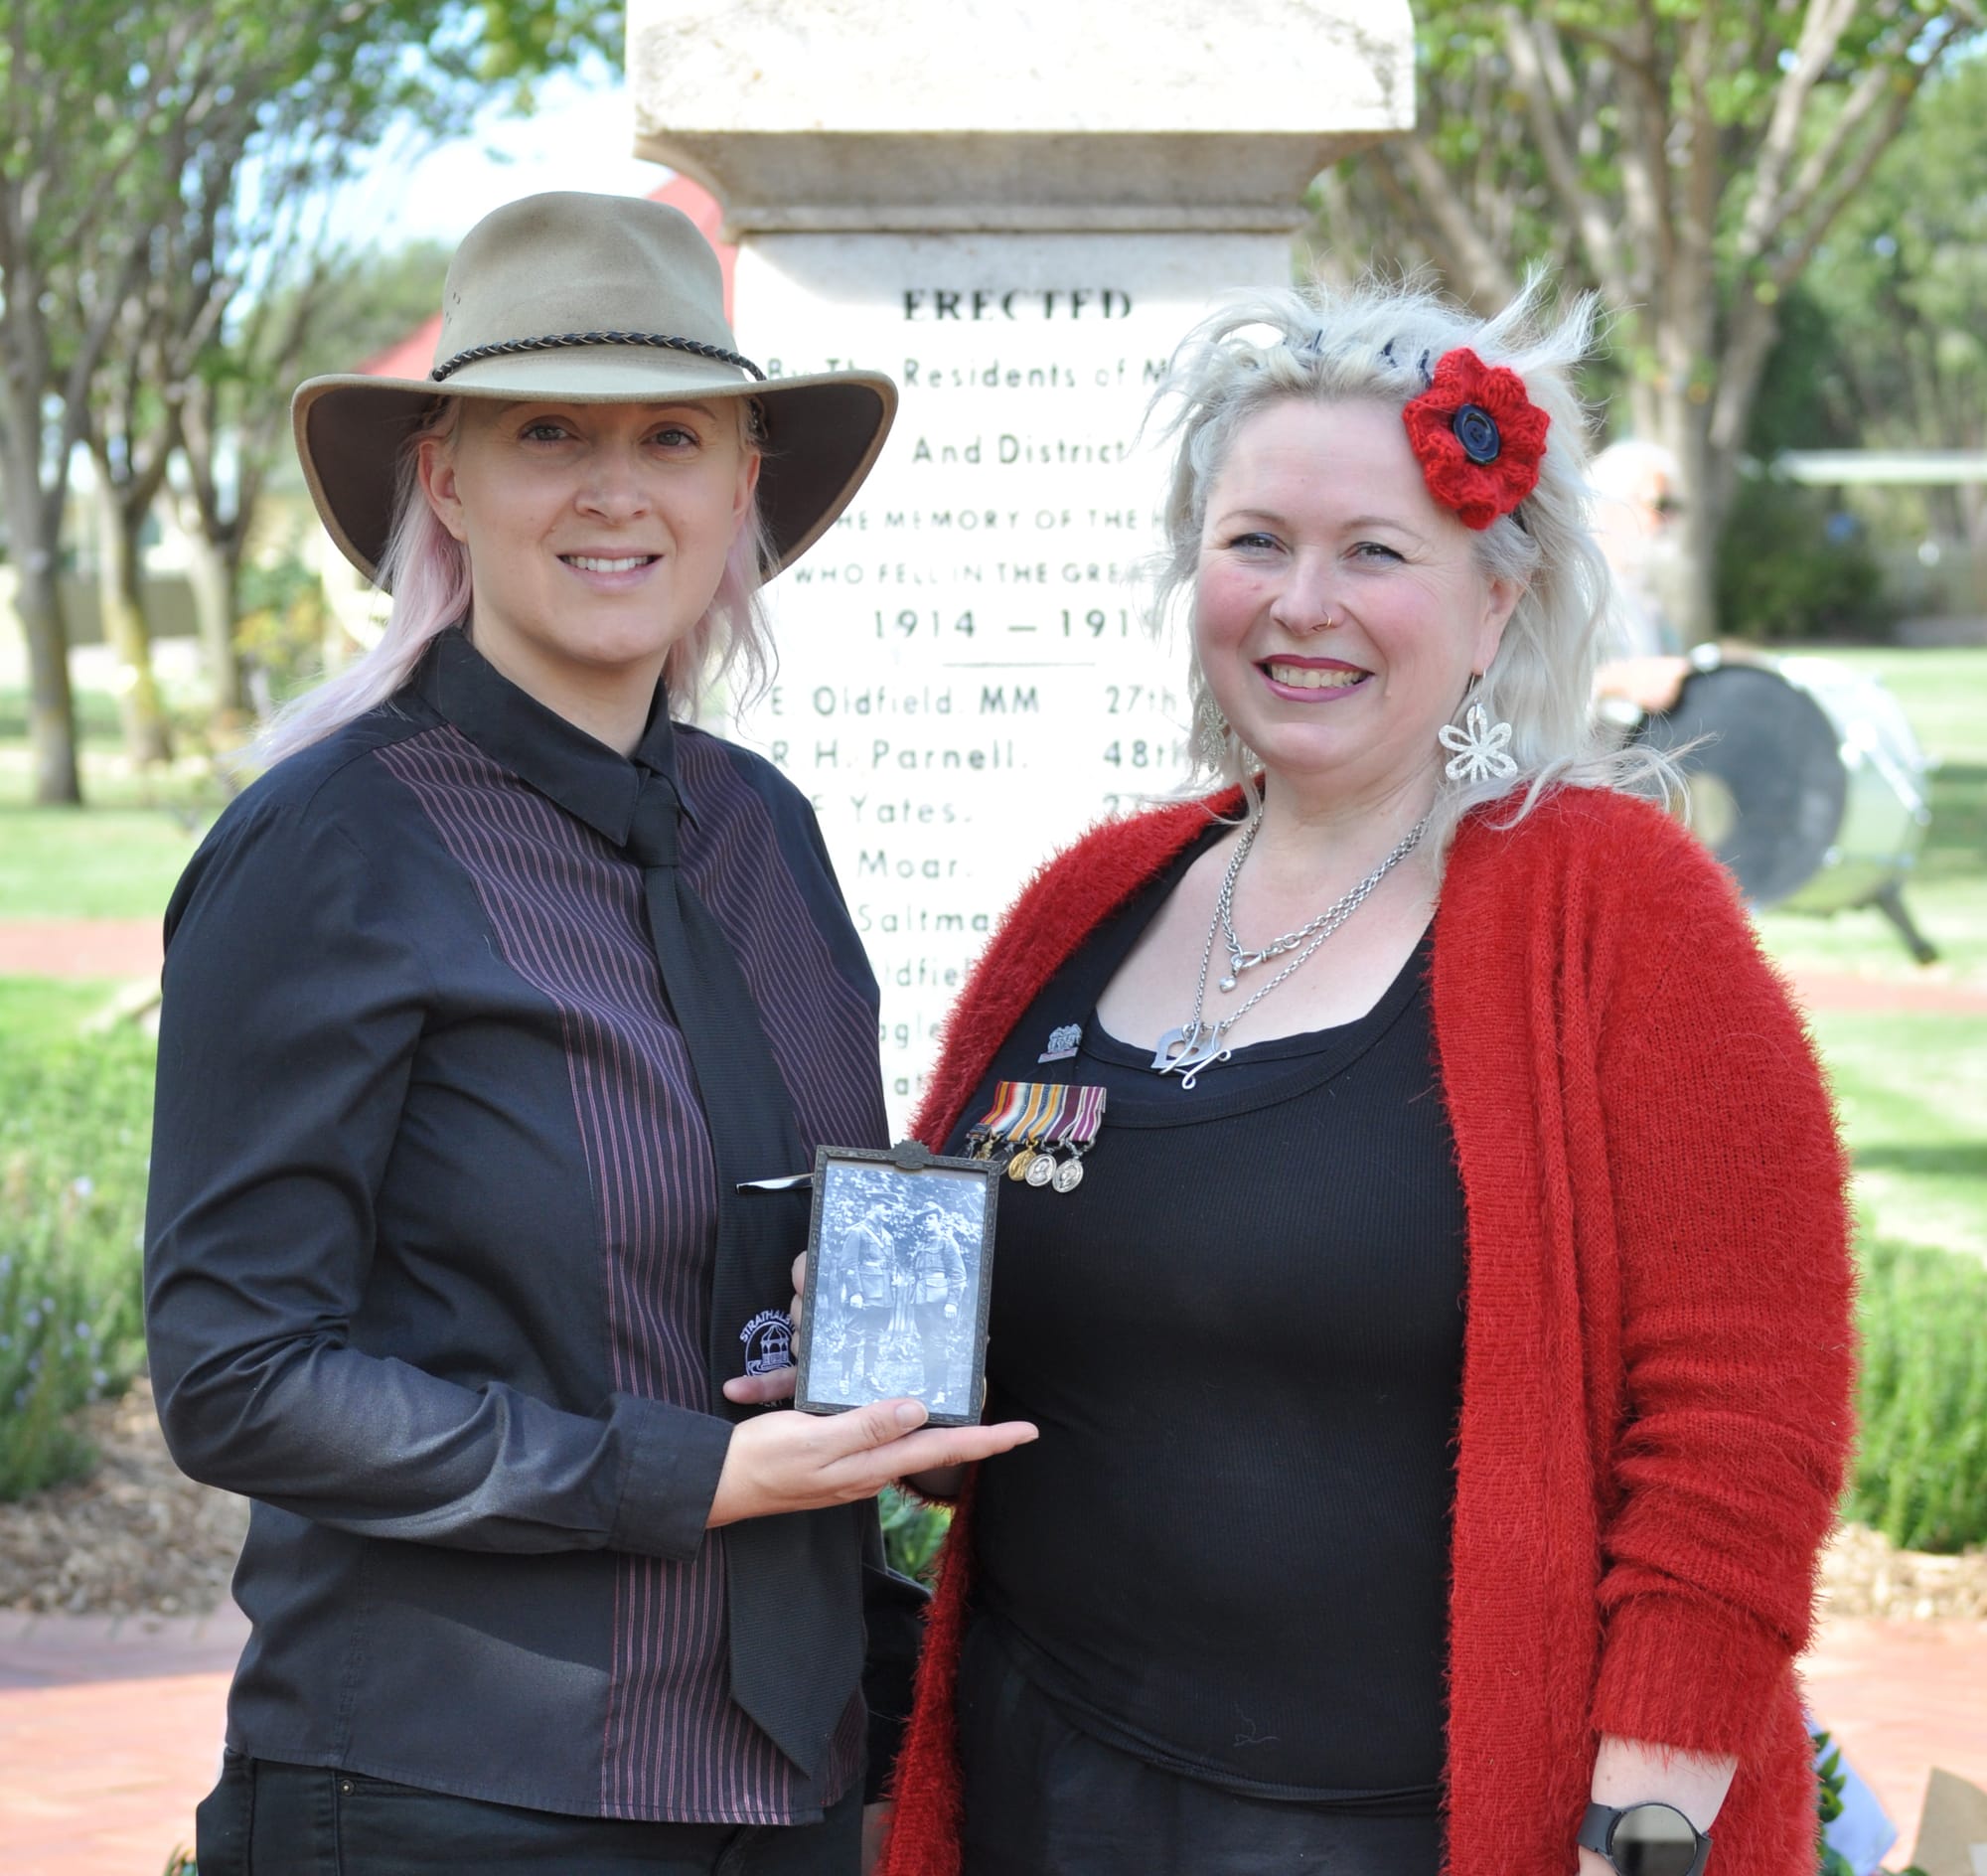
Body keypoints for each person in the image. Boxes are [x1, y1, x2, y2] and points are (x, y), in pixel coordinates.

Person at [871, 278, 1855, 1876]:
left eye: (1376, 553)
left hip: (1415, 1827)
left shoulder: (1618, 914)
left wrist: (1651, 1813)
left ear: (1497, 606)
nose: (1300, 603)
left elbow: (1746, 1411)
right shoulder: (1091, 897)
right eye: (1255, 540)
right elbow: (941, 1299)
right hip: (1047, 1783)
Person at [143, 191, 1033, 1876]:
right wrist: (685, 1473)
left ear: (739, 485)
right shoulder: (329, 848)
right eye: (548, 430)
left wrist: (857, 1326)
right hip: (454, 1790)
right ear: (449, 480)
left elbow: (747, 1238)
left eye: (672, 435)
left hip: (783, 1778)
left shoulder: (763, 832)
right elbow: (238, 1378)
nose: (617, 487)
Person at [904, 1207, 969, 1405]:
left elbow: (958, 1275)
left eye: (930, 1218)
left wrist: (952, 1302)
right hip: (921, 1301)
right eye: (924, 1219)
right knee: (926, 1344)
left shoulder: (947, 1243)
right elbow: (917, 1274)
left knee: (939, 1344)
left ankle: (941, 1390)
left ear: (939, 1220)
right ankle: (928, 1386)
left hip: (940, 1303)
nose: (926, 1222)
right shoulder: (922, 1245)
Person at [840, 1202, 899, 1396]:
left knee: (874, 1337)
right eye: (886, 1207)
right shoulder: (858, 1232)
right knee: (853, 1336)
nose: (890, 1212)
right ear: (873, 1207)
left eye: (891, 1209)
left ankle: (869, 1377)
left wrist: (894, 1277)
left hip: (883, 1295)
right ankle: (845, 1377)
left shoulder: (888, 1237)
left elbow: (891, 1263)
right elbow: (848, 1264)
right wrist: (855, 1292)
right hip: (863, 1293)